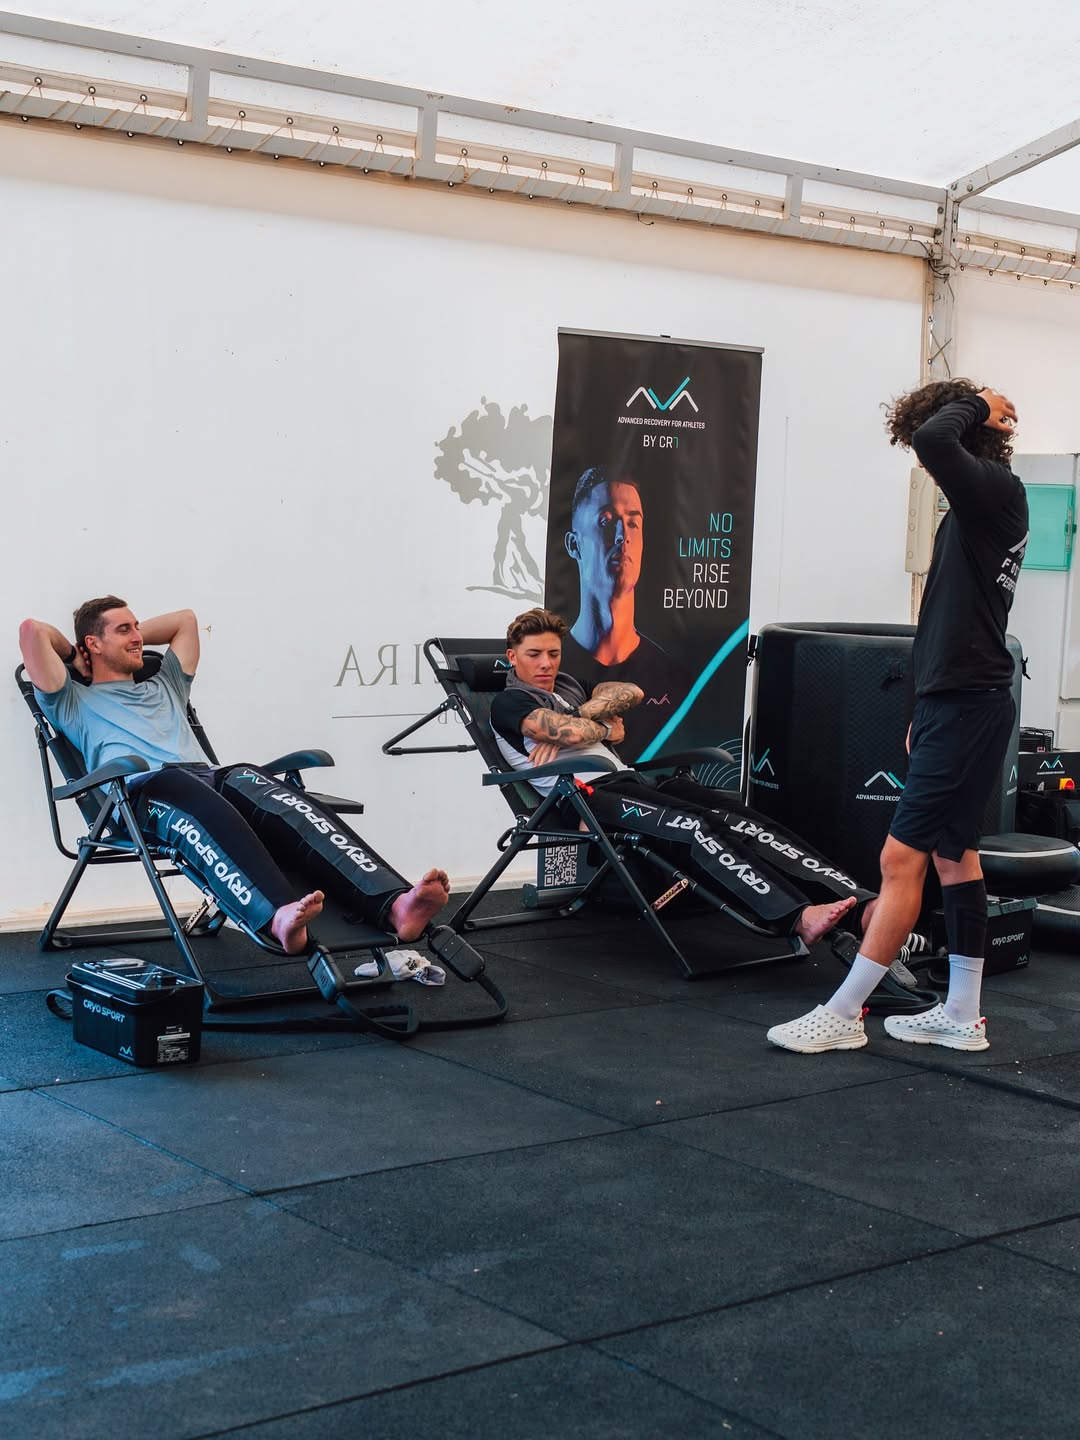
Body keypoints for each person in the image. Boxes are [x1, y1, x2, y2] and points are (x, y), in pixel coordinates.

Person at [767, 381, 1028, 1055]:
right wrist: (922, 703)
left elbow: (933, 437)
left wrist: (980, 399)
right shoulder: (979, 504)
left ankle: (843, 1013)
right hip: (959, 700)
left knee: (899, 857)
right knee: (952, 856)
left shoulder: (993, 490)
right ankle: (962, 1014)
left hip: (968, 703)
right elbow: (947, 617)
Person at [19, 598, 450, 954]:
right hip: (138, 796)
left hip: (205, 779)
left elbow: (185, 621)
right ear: (91, 642)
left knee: (250, 778)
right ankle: (277, 915)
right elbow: (31, 631)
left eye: (137, 627)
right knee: (183, 784)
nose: (137, 637)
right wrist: (76, 654)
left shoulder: (165, 683)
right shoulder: (72, 699)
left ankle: (393, 904)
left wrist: (121, 641)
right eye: (124, 630)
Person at [489, 607, 912, 955]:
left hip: (629, 782)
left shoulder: (569, 688)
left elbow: (630, 692)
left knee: (745, 820)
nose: (545, 664)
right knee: (697, 829)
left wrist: (581, 717)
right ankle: (797, 917)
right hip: (586, 800)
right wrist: (604, 726)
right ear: (512, 656)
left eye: (553, 653)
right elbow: (585, 734)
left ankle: (863, 905)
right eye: (533, 654)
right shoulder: (509, 701)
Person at [561, 466, 694, 758]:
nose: (623, 536)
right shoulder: (551, 671)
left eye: (633, 524)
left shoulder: (676, 679)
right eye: (606, 521)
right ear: (574, 544)